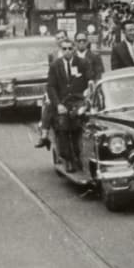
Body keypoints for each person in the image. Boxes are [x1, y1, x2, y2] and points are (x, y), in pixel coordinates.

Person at [45, 38, 94, 173]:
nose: (67, 51)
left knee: (79, 126)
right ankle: (68, 159)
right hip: (63, 102)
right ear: (61, 50)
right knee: (63, 126)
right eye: (64, 49)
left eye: (70, 48)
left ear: (74, 49)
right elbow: (51, 87)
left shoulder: (83, 63)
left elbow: (90, 80)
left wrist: (88, 91)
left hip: (78, 101)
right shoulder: (55, 65)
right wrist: (58, 104)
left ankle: (78, 155)